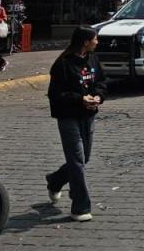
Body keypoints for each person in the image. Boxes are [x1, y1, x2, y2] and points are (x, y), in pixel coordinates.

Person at [45, 25, 107, 222]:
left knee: (83, 158)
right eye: (95, 39)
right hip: (68, 117)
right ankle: (80, 206)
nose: (97, 42)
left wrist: (98, 96)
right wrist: (79, 99)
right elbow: (55, 94)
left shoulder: (93, 59)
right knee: (77, 161)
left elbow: (101, 82)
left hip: (88, 116)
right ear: (85, 42)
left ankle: (55, 180)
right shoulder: (63, 64)